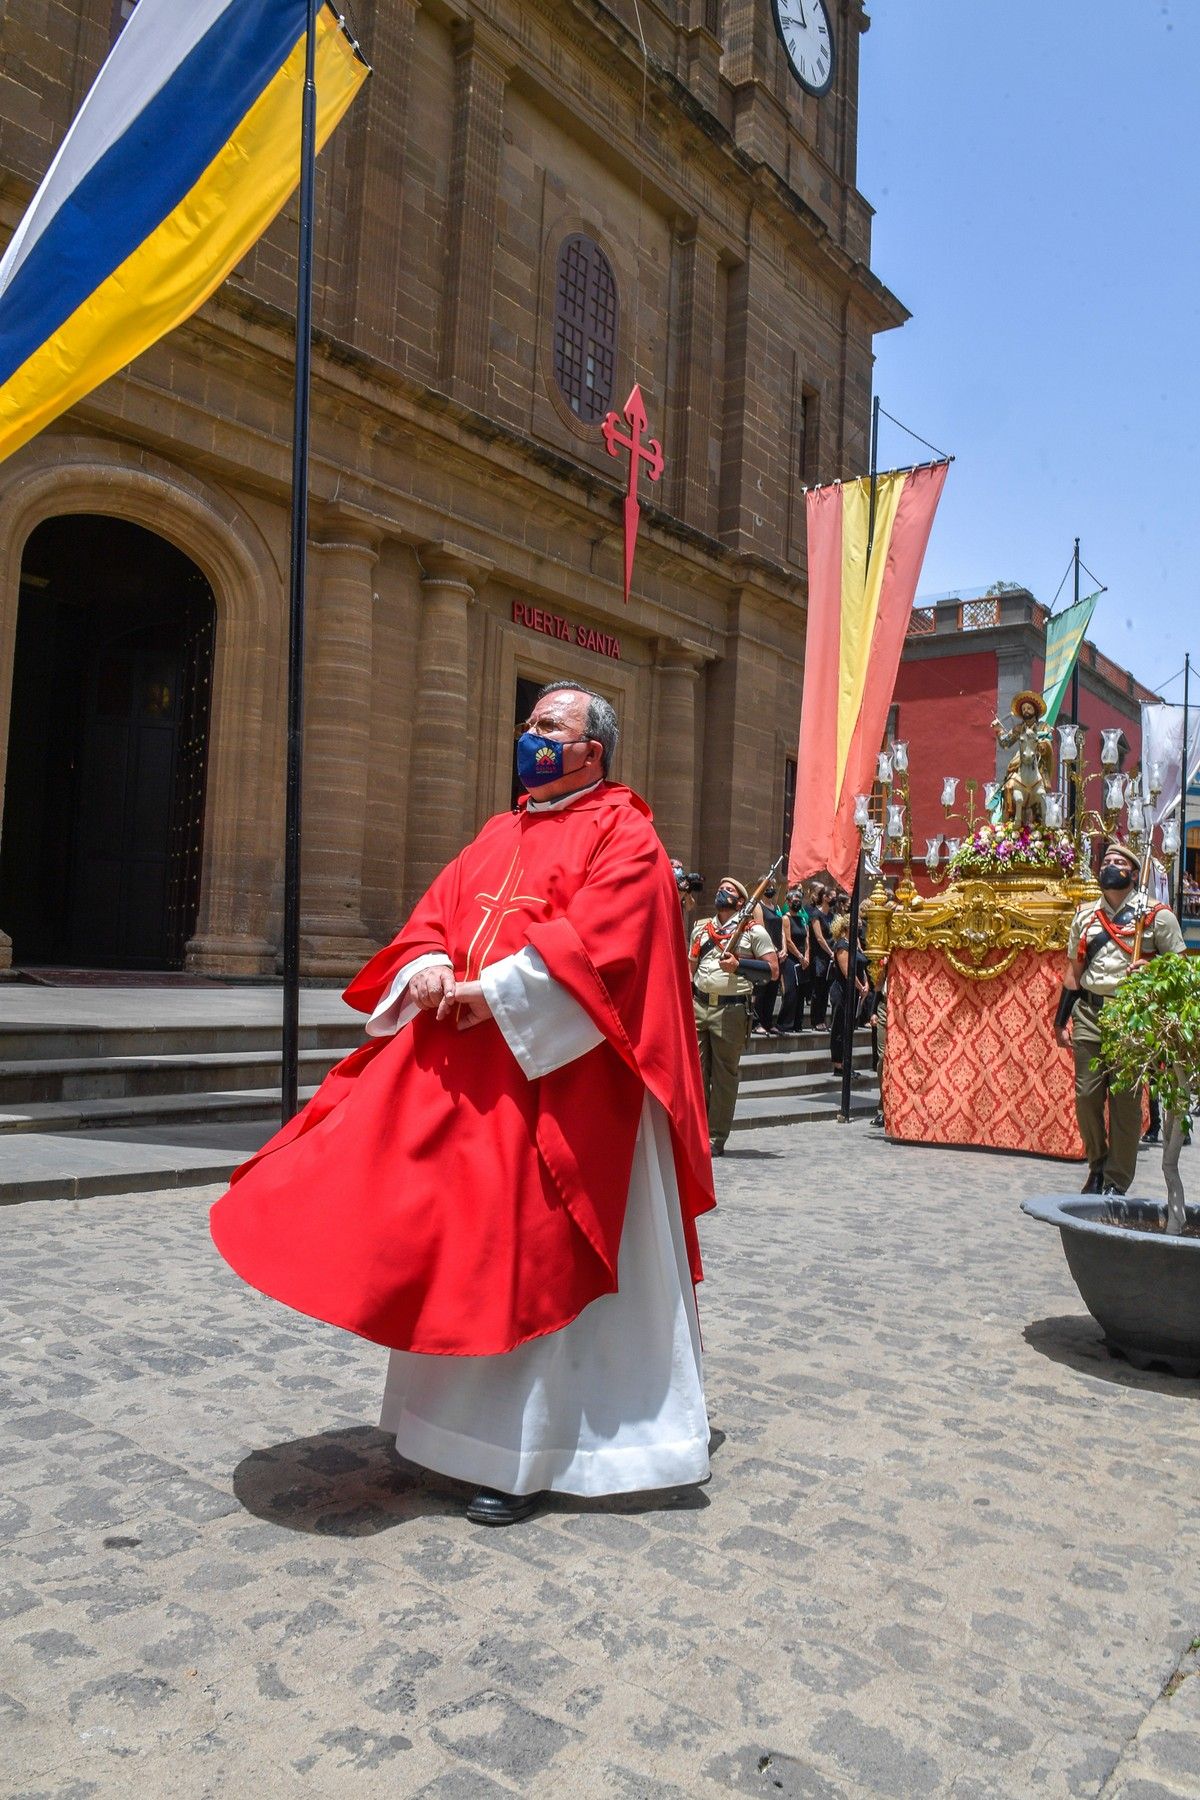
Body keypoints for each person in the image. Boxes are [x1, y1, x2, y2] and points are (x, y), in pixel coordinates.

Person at [211, 681, 716, 1527]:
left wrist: (503, 992)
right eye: (529, 724)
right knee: (462, 1256)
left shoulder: (626, 831)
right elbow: (433, 920)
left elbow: (611, 943)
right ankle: (450, 1437)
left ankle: (539, 1454)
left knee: (532, 1260)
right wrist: (430, 969)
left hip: (565, 1087)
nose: (533, 738)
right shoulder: (496, 832)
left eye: (551, 728)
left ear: (595, 751)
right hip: (475, 1080)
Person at [1055, 839, 1186, 1196]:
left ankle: (1116, 1180)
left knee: (1126, 1103)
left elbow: (1179, 966)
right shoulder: (1084, 915)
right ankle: (1096, 1165)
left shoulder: (1156, 916)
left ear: (1133, 873)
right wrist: (1059, 1020)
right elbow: (1074, 970)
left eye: (1118, 861)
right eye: (1106, 860)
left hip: (1131, 1018)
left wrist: (1152, 966)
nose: (1109, 865)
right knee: (1086, 1096)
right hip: (1090, 1013)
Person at [690, 878, 778, 1155]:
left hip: (730, 1011)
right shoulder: (701, 929)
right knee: (696, 1074)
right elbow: (689, 966)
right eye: (721, 887)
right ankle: (698, 1131)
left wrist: (739, 966)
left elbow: (772, 970)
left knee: (724, 1077)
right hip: (698, 1006)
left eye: (728, 890)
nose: (721, 891)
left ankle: (715, 1138)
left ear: (741, 901)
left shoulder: (754, 932)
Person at [991, 691, 1054, 829]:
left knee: (1045, 788)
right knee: (1008, 786)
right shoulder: (1018, 728)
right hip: (1019, 761)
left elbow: (1048, 742)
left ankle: (1042, 820)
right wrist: (999, 730)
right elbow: (1006, 743)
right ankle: (1008, 819)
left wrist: (1042, 743)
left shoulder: (1043, 727)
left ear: (1035, 710)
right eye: (1024, 709)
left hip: (1038, 761)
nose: (1026, 711)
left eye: (1029, 708)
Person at [828, 913, 869, 1078]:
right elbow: (847, 972)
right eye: (857, 925)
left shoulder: (855, 944)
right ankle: (839, 1064)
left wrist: (865, 985)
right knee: (840, 1028)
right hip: (842, 991)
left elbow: (861, 967)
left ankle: (847, 1063)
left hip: (855, 992)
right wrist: (860, 987)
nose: (859, 928)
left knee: (849, 1029)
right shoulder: (842, 945)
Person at [752, 880, 786, 1036]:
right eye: (767, 887)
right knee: (761, 989)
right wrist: (771, 948)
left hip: (778, 951)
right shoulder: (758, 906)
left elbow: (782, 931)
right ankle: (757, 1022)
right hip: (765, 951)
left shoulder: (777, 907)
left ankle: (768, 1021)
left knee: (773, 988)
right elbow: (760, 928)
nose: (771, 889)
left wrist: (784, 949)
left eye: (772, 886)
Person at [776, 888, 810, 1034]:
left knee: (802, 992)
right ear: (789, 902)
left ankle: (797, 1023)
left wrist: (807, 956)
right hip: (791, 958)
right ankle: (784, 1023)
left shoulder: (802, 919)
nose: (797, 903)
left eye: (799, 901)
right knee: (790, 991)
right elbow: (788, 940)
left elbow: (807, 939)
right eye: (795, 901)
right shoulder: (786, 918)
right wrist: (800, 956)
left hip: (803, 959)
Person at [808, 887, 834, 1028]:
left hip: (831, 956)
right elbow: (819, 937)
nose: (833, 899)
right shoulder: (815, 914)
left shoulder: (832, 915)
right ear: (825, 897)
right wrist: (830, 952)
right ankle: (816, 1020)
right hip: (819, 956)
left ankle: (822, 1019)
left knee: (825, 990)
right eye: (832, 896)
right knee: (818, 990)